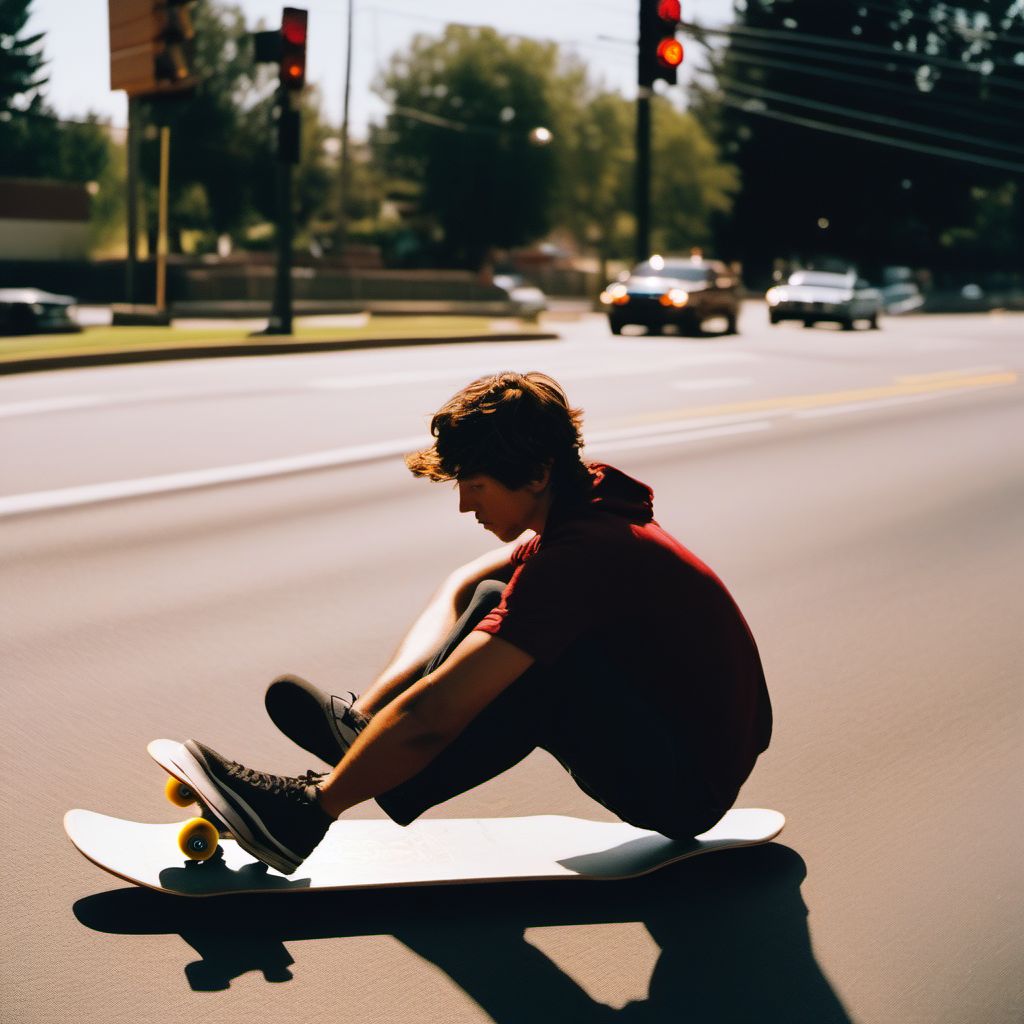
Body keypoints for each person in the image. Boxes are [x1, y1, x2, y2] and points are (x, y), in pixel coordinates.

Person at [173, 372, 772, 875]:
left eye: (475, 485)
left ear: (536, 474)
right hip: (682, 749)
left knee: (533, 667)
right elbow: (464, 585)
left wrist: (343, 782)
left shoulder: (584, 555)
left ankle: (303, 815)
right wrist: (368, 716)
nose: (465, 504)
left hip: (684, 787)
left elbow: (437, 714)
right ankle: (366, 746)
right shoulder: (587, 508)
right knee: (494, 596)